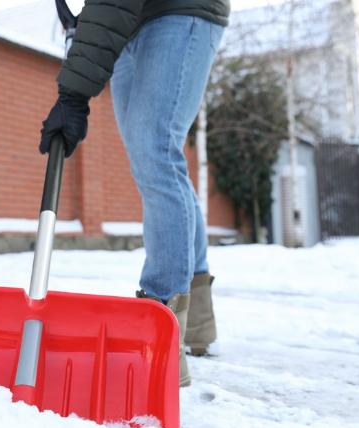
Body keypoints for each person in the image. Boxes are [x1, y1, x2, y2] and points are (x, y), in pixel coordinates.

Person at [39, 0, 229, 387]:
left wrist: (73, 94)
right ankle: (196, 323)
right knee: (156, 162)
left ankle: (161, 324)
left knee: (156, 151)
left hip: (179, 11)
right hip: (133, 23)